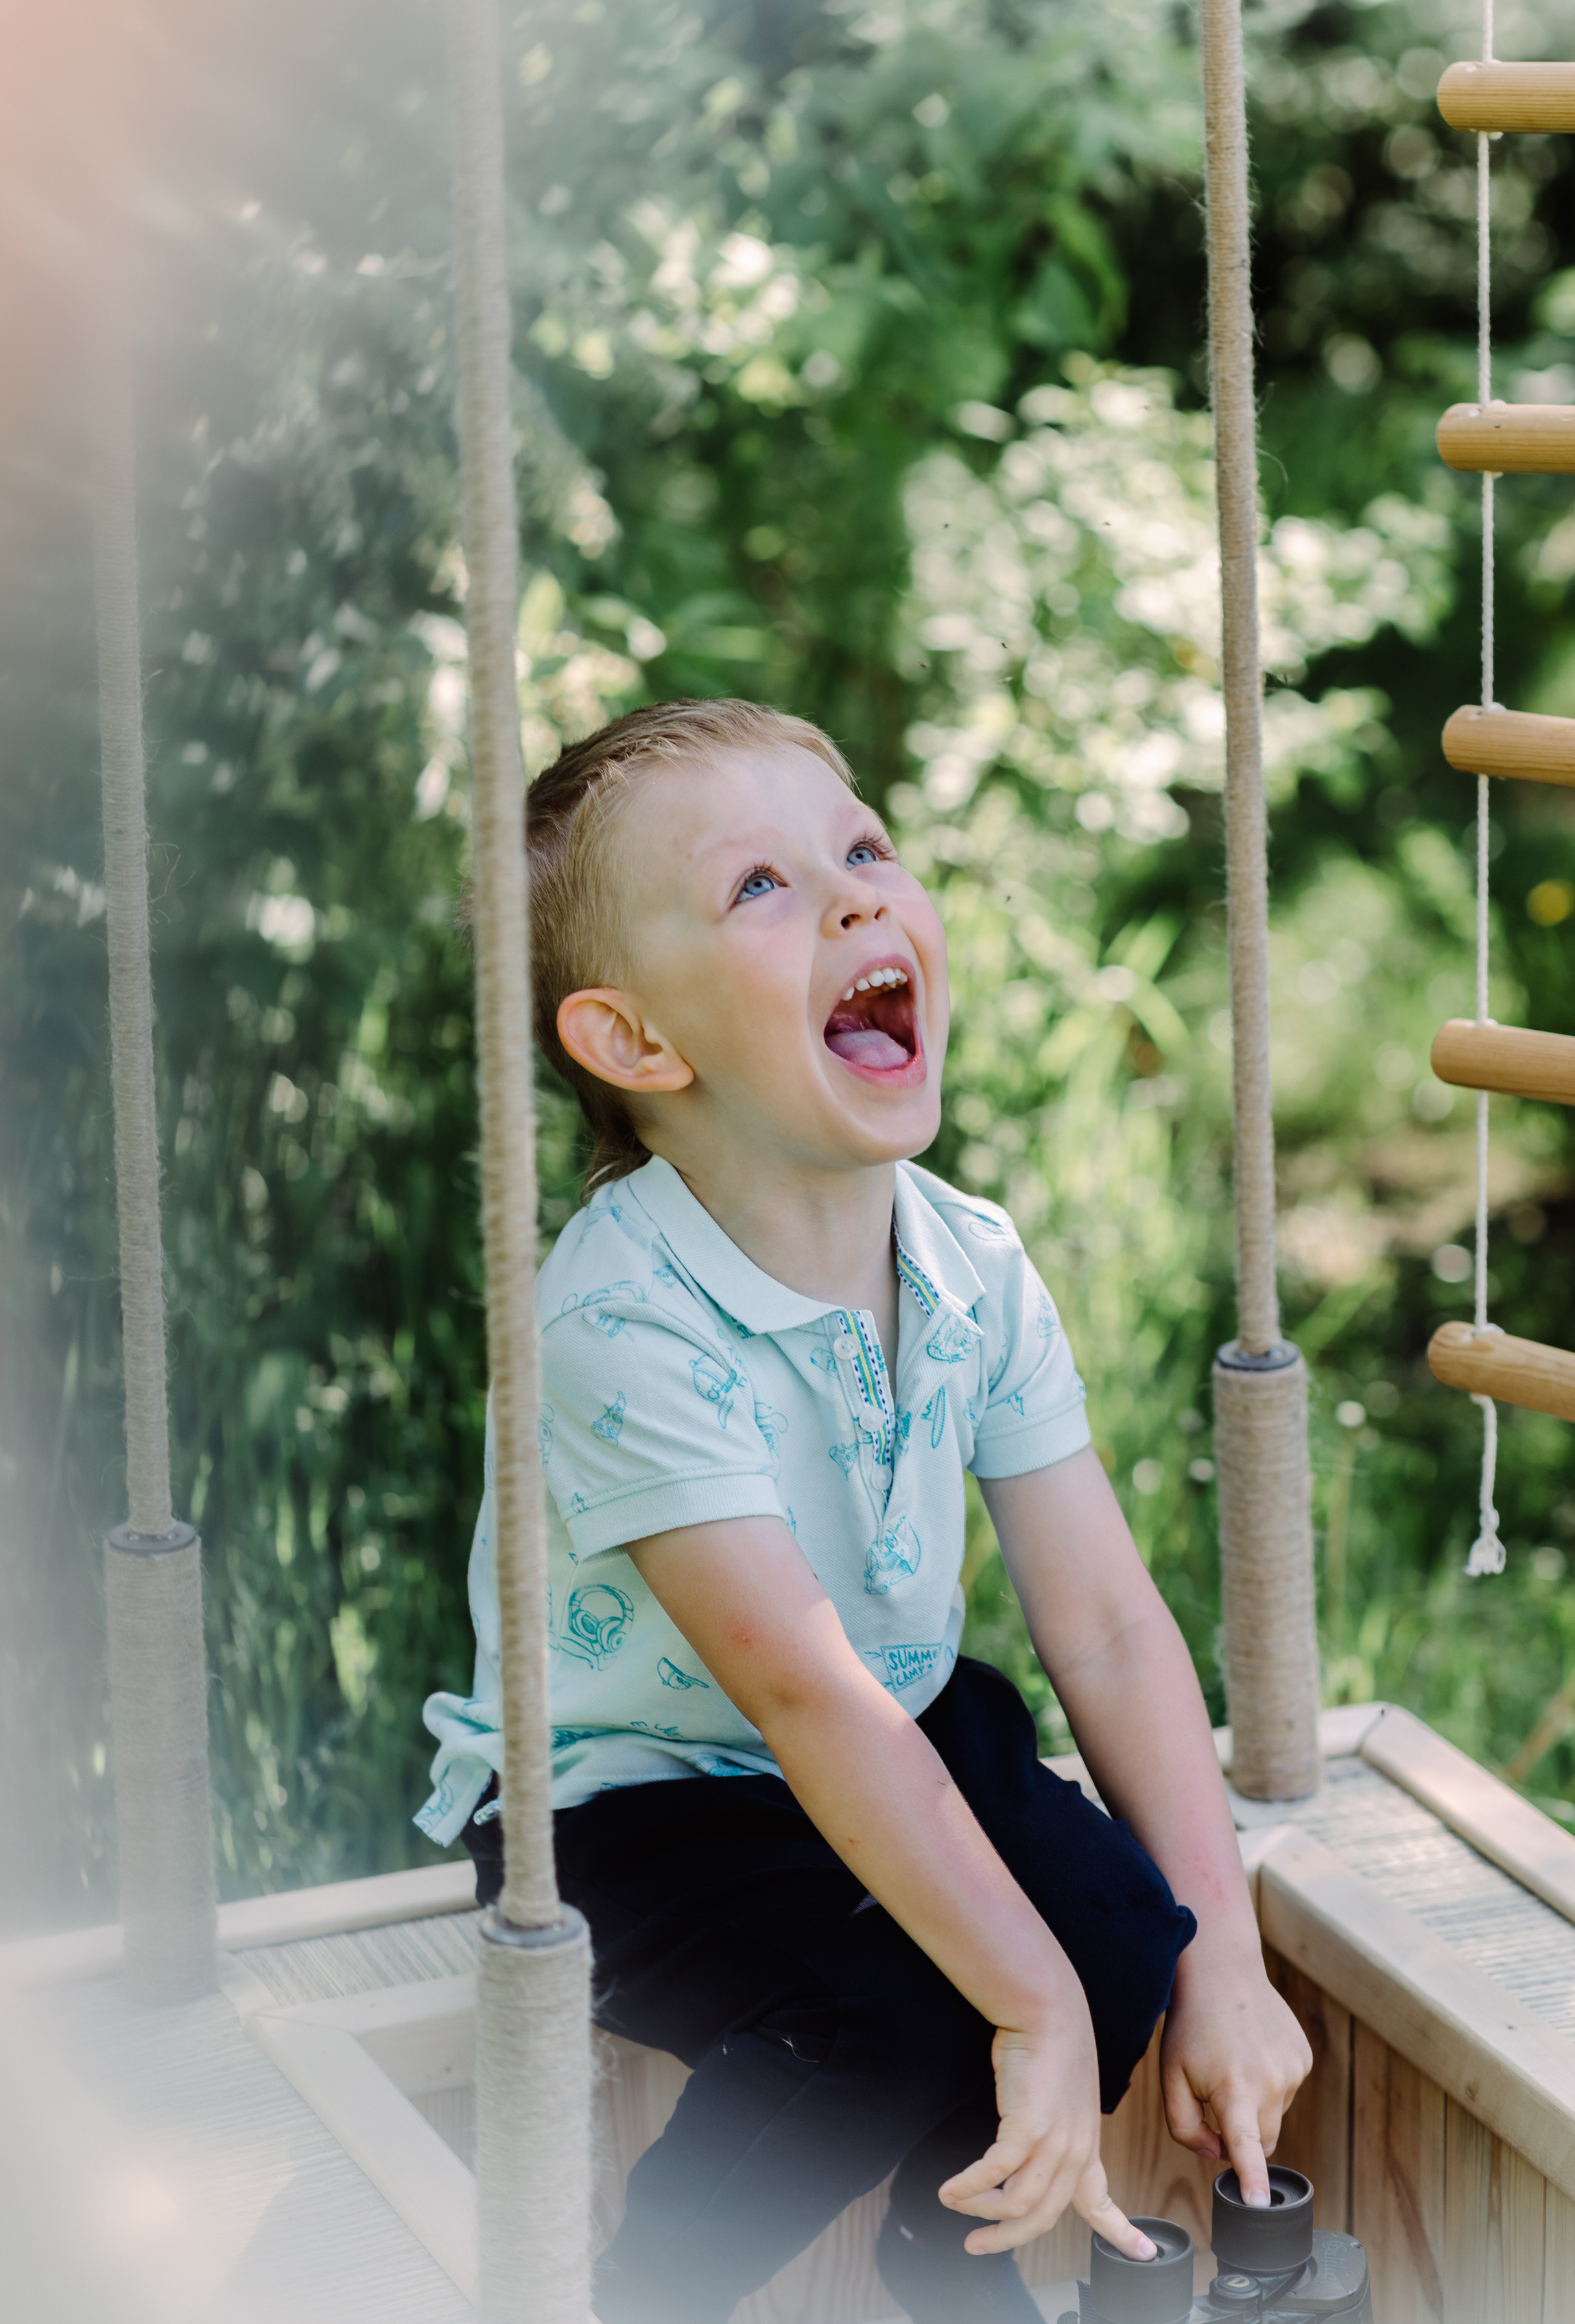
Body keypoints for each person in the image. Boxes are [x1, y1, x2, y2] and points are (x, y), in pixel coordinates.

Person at [418, 697, 1310, 2324]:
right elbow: (794, 1694)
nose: (849, 899)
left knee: (1130, 1933)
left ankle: (937, 2244)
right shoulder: (616, 1326)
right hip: (638, 1796)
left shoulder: (966, 1261)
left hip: (889, 1716)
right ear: (637, 1046)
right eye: (759, 887)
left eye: (863, 850)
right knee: (894, 2015)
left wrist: (1224, 1965)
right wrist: (1022, 2003)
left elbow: (1102, 1627)